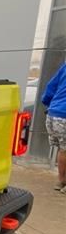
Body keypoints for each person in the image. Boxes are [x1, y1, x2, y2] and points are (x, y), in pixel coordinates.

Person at [41, 61, 66, 193]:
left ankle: (61, 181)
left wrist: (49, 104)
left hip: (54, 114)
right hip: (64, 115)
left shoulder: (65, 66)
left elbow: (51, 87)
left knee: (63, 150)